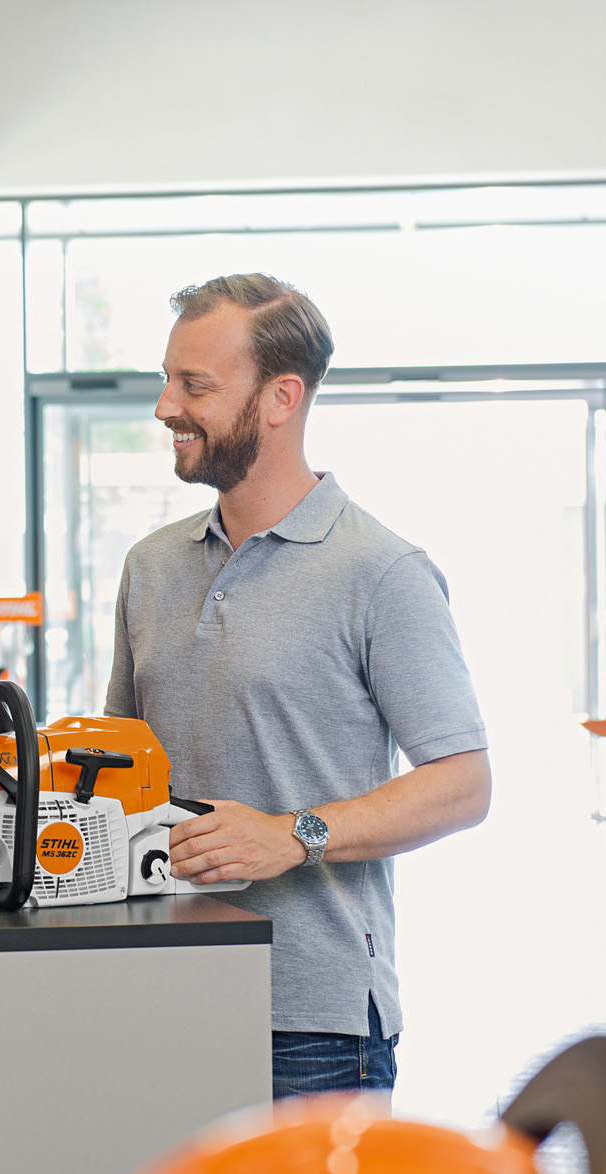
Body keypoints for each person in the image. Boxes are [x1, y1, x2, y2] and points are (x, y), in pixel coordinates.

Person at [104, 273, 492, 1099]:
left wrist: (293, 833)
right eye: (167, 378)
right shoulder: (150, 567)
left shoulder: (382, 572)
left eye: (195, 385)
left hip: (313, 1027)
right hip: (156, 996)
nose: (167, 405)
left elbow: (463, 785)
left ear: (282, 397)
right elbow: (119, 767)